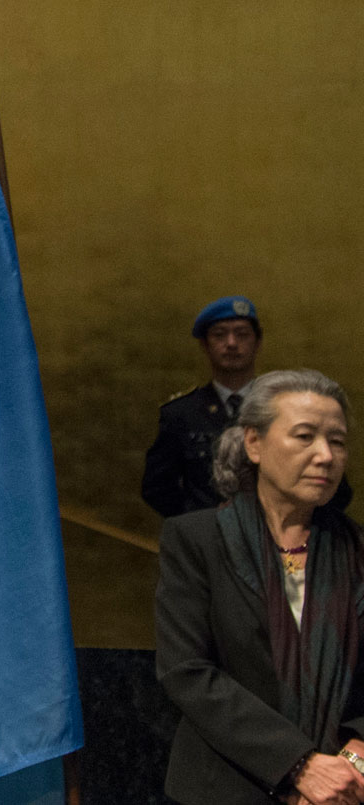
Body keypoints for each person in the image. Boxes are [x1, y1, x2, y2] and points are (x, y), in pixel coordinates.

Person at [156, 369, 364, 805]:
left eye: (338, 441)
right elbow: (187, 672)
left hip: (345, 790)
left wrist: (354, 756)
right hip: (227, 787)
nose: (325, 455)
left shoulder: (356, 550)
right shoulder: (197, 540)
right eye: (305, 436)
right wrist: (300, 764)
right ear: (254, 443)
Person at [146, 296, 268, 517]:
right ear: (204, 344)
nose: (231, 343)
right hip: (206, 542)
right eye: (220, 335)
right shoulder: (181, 414)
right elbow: (157, 487)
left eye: (241, 334)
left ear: (257, 342)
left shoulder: (280, 408)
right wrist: (197, 523)